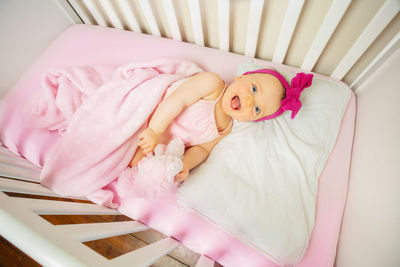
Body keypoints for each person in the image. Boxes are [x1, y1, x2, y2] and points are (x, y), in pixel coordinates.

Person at [129, 68, 313, 182]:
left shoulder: (225, 129)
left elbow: (201, 149)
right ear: (241, 77)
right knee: (127, 141)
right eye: (254, 89)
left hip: (160, 142)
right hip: (153, 115)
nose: (249, 101)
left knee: (138, 166)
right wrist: (154, 129)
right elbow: (177, 99)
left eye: (257, 109)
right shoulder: (213, 85)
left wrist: (185, 164)